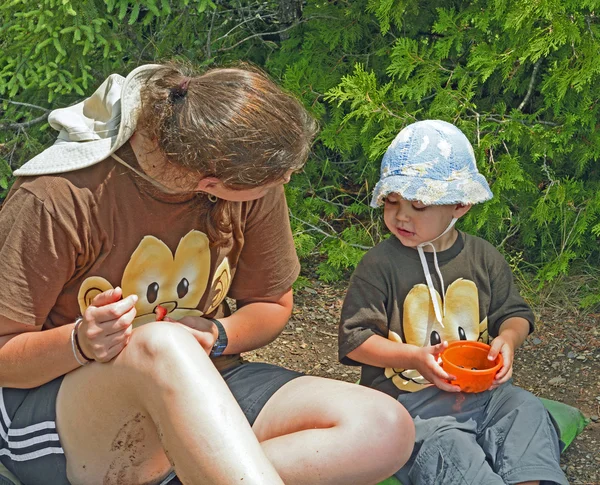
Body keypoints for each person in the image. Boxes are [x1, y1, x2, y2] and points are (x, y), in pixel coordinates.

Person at [0, 63, 415, 485]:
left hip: (204, 385)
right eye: (277, 178)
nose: (286, 181)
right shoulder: (57, 198)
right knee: (161, 345)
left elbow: (270, 304)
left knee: (383, 427)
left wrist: (219, 335)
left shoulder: (253, 188)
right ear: (210, 183)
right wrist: (80, 342)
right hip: (59, 410)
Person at [338, 120, 568, 485]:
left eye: (418, 205)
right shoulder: (380, 264)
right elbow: (355, 340)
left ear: (460, 205)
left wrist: (507, 340)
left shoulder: (482, 256)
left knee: (526, 410)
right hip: (411, 404)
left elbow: (515, 313)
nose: (401, 216)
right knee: (449, 450)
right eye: (392, 202)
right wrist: (413, 358)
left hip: (484, 393)